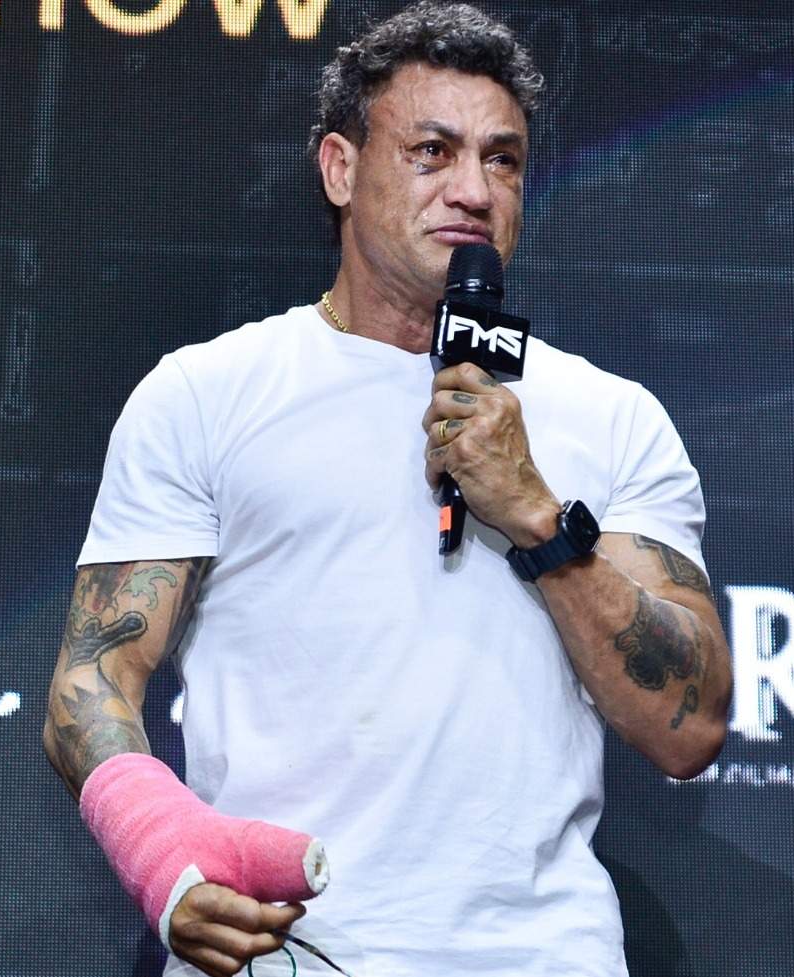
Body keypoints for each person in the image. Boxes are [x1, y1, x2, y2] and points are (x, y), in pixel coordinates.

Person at [42, 4, 732, 975]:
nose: (473, 190)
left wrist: (535, 516)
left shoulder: (612, 416)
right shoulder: (206, 393)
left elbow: (689, 726)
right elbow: (89, 682)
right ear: (339, 168)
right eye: (432, 152)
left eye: (502, 160)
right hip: (284, 952)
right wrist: (167, 859)